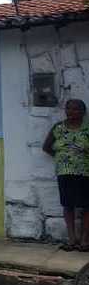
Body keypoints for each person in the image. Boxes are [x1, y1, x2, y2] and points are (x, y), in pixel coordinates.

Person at [43, 99, 89, 251]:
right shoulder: (59, 128)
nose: (71, 112)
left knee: (86, 207)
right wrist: (62, 159)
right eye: (68, 108)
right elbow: (47, 147)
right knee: (68, 205)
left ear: (83, 112)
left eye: (75, 109)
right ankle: (71, 239)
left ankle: (84, 241)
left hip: (85, 173)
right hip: (64, 173)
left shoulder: (87, 129)